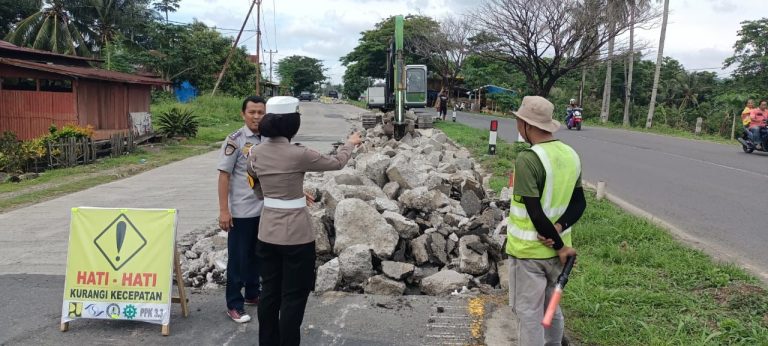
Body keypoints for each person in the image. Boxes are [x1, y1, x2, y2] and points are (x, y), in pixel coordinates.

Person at [247, 96, 362, 346]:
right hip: (297, 237)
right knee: (293, 297)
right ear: (291, 123)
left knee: (269, 293)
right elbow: (337, 163)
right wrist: (350, 143)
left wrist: (285, 194)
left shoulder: (254, 153)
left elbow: (257, 187)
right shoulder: (299, 154)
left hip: (266, 234)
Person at [508, 96, 587, 346]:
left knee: (529, 314)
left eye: (519, 122)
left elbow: (534, 211)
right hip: (557, 256)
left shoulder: (528, 159)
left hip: (529, 253)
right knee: (550, 309)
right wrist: (560, 233)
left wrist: (559, 246)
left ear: (527, 126)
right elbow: (579, 203)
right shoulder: (570, 154)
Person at [217, 95, 266, 323]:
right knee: (238, 259)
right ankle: (234, 304)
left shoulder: (269, 137)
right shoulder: (234, 140)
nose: (256, 116)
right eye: (252, 112)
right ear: (243, 114)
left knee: (257, 255)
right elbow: (224, 176)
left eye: (261, 112)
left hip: (264, 210)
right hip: (241, 211)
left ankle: (253, 294)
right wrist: (224, 211)